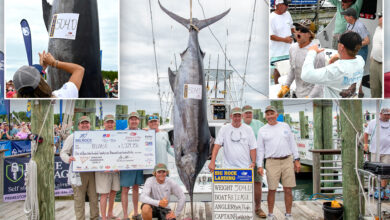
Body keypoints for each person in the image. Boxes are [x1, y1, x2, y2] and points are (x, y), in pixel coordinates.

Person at [257, 106, 300, 220]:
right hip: (271, 162)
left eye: (272, 113)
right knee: (272, 189)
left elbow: (292, 143)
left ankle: (288, 214)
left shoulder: (285, 126)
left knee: (288, 189)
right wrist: (259, 165)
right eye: (268, 114)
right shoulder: (262, 130)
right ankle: (270, 214)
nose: (270, 116)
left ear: (276, 115)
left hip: (287, 160)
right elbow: (260, 149)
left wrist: (297, 159)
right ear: (265, 116)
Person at [301, 31, 364, 98]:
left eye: (338, 41)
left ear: (341, 46)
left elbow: (306, 75)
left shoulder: (336, 69)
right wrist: (339, 57)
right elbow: (349, 61)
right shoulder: (360, 61)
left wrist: (312, 52)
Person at [60, 116, 99, 220]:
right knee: (79, 198)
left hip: (92, 171)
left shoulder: (95, 136)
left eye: (87, 123)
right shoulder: (72, 137)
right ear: (78, 125)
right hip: (78, 171)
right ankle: (80, 218)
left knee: (94, 198)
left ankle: (94, 217)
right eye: (82, 123)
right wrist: (69, 159)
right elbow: (63, 153)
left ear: (90, 125)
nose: (85, 125)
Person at [277, 19, 325, 98]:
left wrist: (309, 97)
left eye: (303, 30)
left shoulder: (318, 53)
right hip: (298, 93)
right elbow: (293, 69)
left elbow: (320, 82)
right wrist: (286, 85)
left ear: (310, 34)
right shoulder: (292, 48)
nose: (299, 32)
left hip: (314, 96)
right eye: (297, 29)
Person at [13, 50, 84, 98]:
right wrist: (54, 63)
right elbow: (79, 70)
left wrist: (42, 69)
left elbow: (35, 85)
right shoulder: (61, 95)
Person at [208, 107, 257, 172]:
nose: (237, 118)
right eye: (235, 116)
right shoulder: (224, 128)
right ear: (231, 116)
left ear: (242, 116)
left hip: (245, 168)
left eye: (239, 116)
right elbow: (217, 146)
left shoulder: (248, 129)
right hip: (228, 168)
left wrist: (253, 162)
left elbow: (253, 147)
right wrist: (212, 162)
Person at [241, 105, 266, 218]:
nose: (248, 115)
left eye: (250, 112)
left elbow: (267, 138)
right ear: (242, 115)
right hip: (241, 161)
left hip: (257, 160)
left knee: (258, 183)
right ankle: (241, 208)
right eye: (246, 113)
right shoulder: (237, 124)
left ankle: (258, 208)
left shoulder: (259, 124)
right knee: (241, 184)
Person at [341, 7, 370, 98]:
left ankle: (358, 91)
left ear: (351, 17)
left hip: (360, 50)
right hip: (352, 50)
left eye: (346, 15)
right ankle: (356, 90)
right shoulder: (348, 24)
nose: (344, 17)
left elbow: (367, 41)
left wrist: (355, 44)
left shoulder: (360, 26)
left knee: (357, 71)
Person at [95, 114, 120, 220]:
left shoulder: (119, 135)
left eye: (111, 122)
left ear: (114, 124)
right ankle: (104, 217)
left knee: (113, 192)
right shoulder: (97, 136)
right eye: (107, 122)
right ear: (104, 123)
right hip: (102, 170)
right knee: (104, 194)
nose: (110, 124)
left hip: (115, 169)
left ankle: (110, 213)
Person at [120, 112, 144, 220]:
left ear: (139, 121)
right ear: (128, 121)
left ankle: (135, 213)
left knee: (136, 188)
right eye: (132, 119)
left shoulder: (143, 133)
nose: (134, 121)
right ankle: (125, 215)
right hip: (126, 165)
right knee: (125, 189)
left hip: (138, 164)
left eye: (136, 119)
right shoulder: (122, 133)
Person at [364, 108, 390, 200]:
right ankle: (375, 189)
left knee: (386, 172)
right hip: (375, 151)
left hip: (388, 151)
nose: (388, 116)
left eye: (389, 114)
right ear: (381, 114)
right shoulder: (373, 122)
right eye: (386, 114)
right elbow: (366, 133)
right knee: (375, 171)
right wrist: (366, 144)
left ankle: (382, 190)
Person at [143, 115, 174, 180]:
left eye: (155, 121)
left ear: (158, 122)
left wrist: (179, 156)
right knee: (149, 190)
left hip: (162, 168)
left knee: (164, 189)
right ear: (148, 124)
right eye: (151, 122)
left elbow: (168, 148)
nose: (153, 123)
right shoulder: (143, 134)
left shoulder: (165, 134)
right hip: (148, 170)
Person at [270, 0, 294, 84]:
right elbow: (270, 36)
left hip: (289, 48)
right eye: (286, 5)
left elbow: (291, 27)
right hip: (277, 51)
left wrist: (300, 33)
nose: (287, 7)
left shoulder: (288, 14)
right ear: (278, 5)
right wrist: (285, 40)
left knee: (291, 68)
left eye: (288, 5)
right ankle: (277, 86)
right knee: (278, 70)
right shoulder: (271, 18)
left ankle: (288, 85)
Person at [369, 13, 383, 98]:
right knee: (374, 88)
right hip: (374, 62)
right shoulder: (377, 29)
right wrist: (372, 56)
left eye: (381, 17)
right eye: (379, 17)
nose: (379, 19)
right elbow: (375, 44)